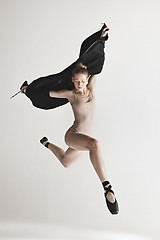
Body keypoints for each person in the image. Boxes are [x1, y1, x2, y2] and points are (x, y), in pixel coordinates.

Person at [20, 26, 119, 214]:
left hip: (83, 139)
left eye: (82, 81)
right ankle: (107, 188)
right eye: (76, 82)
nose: (79, 85)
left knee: (66, 161)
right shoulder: (70, 94)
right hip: (74, 135)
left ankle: (47, 144)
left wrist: (102, 37)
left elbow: (97, 60)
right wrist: (29, 90)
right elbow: (45, 90)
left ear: (86, 79)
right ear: (73, 82)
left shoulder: (92, 87)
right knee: (95, 145)